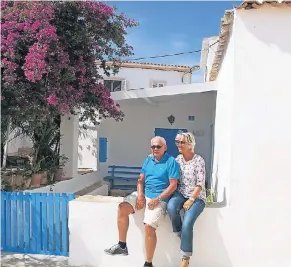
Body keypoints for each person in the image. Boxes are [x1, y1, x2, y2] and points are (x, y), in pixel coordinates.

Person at [104, 136, 180, 267]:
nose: (155, 149)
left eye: (158, 146)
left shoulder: (171, 162)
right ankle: (122, 245)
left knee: (149, 227)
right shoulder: (148, 160)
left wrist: (158, 199)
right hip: (145, 194)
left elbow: (173, 185)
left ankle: (148, 263)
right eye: (153, 146)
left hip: (160, 198)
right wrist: (140, 195)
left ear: (165, 148)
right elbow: (140, 180)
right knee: (122, 207)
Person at [167, 132, 206, 267]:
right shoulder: (178, 159)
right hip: (181, 193)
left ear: (190, 144)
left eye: (182, 142)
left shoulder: (199, 160)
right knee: (171, 208)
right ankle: (181, 235)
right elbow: (170, 171)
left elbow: (200, 183)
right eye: (177, 142)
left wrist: (191, 199)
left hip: (197, 197)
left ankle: (185, 258)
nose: (179, 144)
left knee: (188, 223)